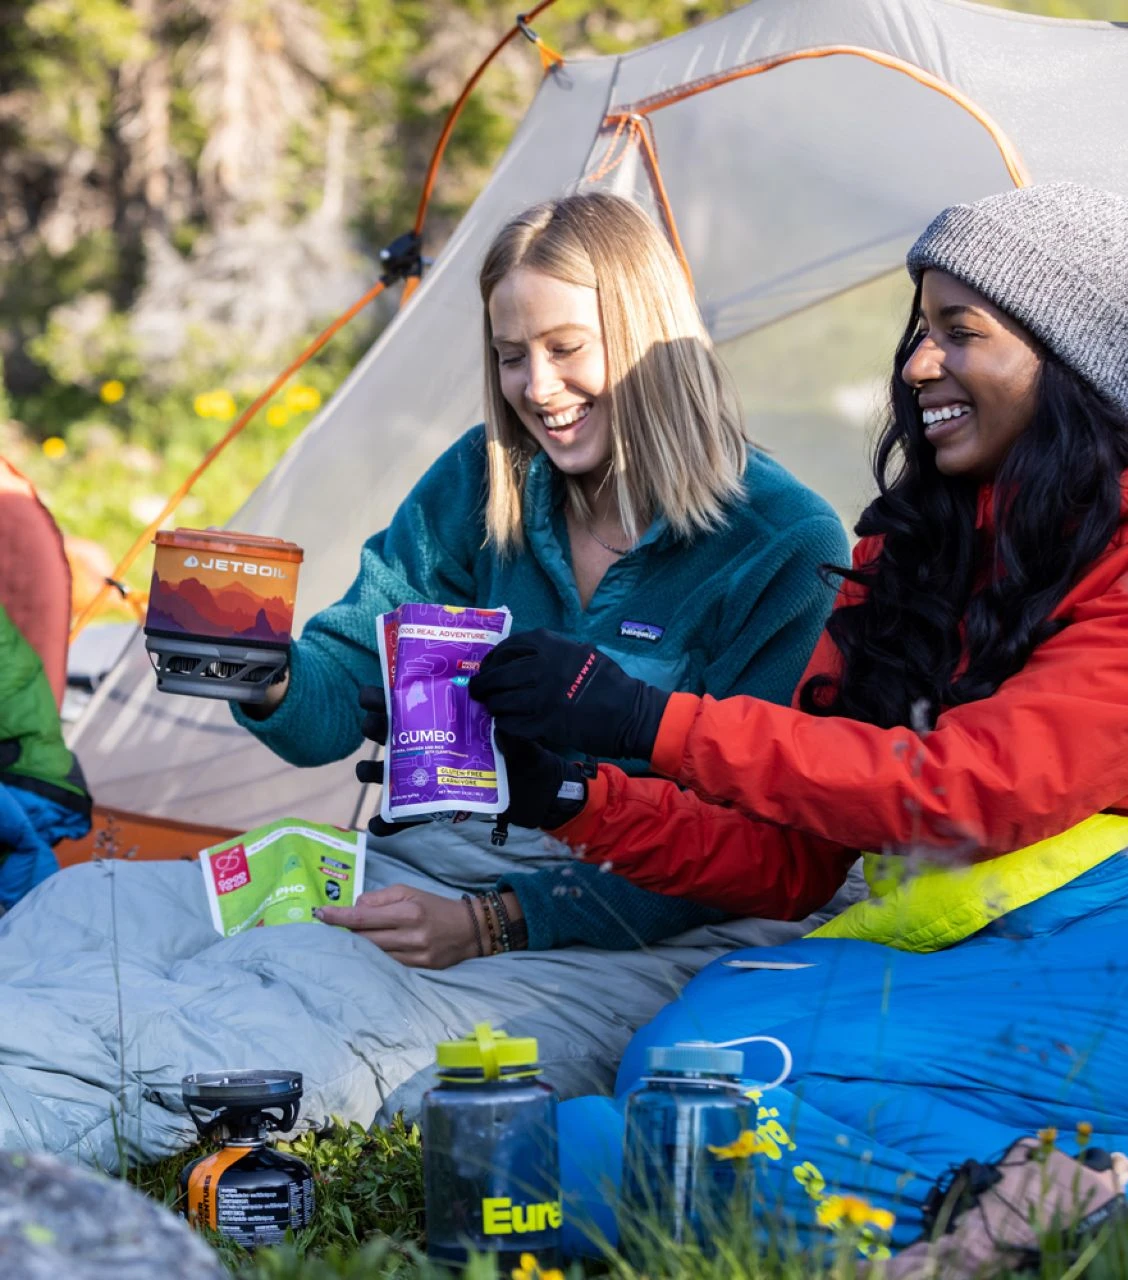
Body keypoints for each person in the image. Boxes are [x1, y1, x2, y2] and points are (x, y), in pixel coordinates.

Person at [470, 183, 1128, 1249]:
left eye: (959, 333)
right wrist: (572, 794)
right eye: (919, 329)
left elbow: (979, 786)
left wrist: (647, 719)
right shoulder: (907, 556)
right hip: (973, 945)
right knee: (686, 1064)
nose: (914, 365)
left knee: (670, 1105)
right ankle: (1069, 1207)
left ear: (1072, 359)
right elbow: (791, 860)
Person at [233, 190, 849, 964]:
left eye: (566, 348)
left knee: (281, 1008)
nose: (536, 388)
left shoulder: (784, 544)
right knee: (103, 909)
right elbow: (344, 676)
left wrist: (495, 922)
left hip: (644, 921)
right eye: (511, 355)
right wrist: (259, 674)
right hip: (439, 866)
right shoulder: (481, 480)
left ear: (648, 340)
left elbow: (746, 849)